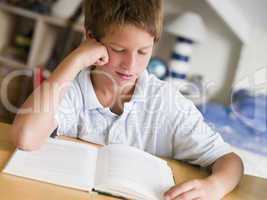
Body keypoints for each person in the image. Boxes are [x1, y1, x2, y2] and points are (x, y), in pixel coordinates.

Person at [10, 0, 243, 199]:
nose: (130, 65)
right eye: (119, 49)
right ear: (91, 39)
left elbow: (229, 160)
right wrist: (75, 60)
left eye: (143, 52)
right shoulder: (71, 89)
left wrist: (215, 187)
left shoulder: (166, 102)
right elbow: (25, 137)